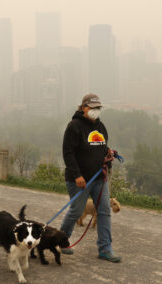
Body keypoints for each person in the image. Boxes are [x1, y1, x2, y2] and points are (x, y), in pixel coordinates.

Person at [59, 93, 121, 263]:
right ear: (84, 108)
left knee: (104, 212)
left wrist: (108, 157)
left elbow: (102, 146)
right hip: (79, 180)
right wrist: (78, 175)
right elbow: (68, 153)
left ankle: (105, 249)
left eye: (98, 108)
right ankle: (61, 241)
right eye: (93, 108)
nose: (96, 111)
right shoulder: (74, 126)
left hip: (99, 179)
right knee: (77, 211)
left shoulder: (100, 127)